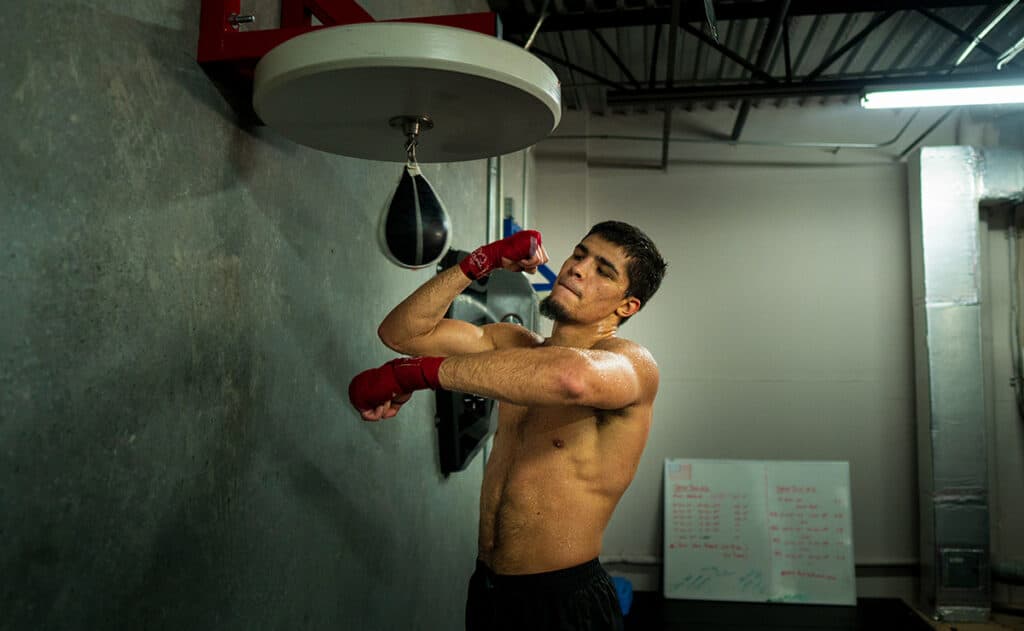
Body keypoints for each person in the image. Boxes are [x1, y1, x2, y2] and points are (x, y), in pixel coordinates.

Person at [349, 221, 667, 631]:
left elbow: (570, 379)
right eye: (580, 253)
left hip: (564, 601)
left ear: (626, 307)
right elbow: (400, 332)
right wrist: (482, 262)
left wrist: (414, 375)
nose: (577, 268)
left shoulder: (632, 364)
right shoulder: (513, 345)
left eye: (603, 271)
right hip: (489, 590)